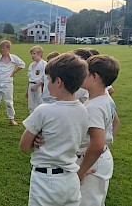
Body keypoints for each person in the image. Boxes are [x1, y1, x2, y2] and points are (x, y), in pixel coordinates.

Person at [19, 52, 89, 206]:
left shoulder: (44, 110)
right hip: (71, 180)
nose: (47, 83)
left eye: (48, 79)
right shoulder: (84, 110)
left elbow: (23, 146)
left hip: (46, 181)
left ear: (58, 82)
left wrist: (35, 139)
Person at [77, 55, 120, 206]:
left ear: (95, 76)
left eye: (85, 73)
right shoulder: (105, 99)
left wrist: (81, 172)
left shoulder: (94, 107)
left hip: (92, 164)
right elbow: (116, 123)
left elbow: (97, 145)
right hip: (99, 159)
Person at [0, 40, 26, 125]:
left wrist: (14, 72)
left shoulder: (13, 58)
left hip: (8, 84)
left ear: (8, 49)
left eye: (3, 48)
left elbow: (22, 64)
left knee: (9, 102)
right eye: (0, 48)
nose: (1, 50)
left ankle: (11, 118)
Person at [26, 45, 47, 113]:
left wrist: (37, 85)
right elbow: (29, 78)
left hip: (39, 86)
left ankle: (40, 120)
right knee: (31, 105)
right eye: (31, 53)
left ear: (40, 54)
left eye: (34, 53)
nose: (32, 55)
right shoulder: (31, 65)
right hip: (31, 86)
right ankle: (32, 120)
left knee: (40, 103)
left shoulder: (44, 64)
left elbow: (44, 77)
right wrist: (27, 89)